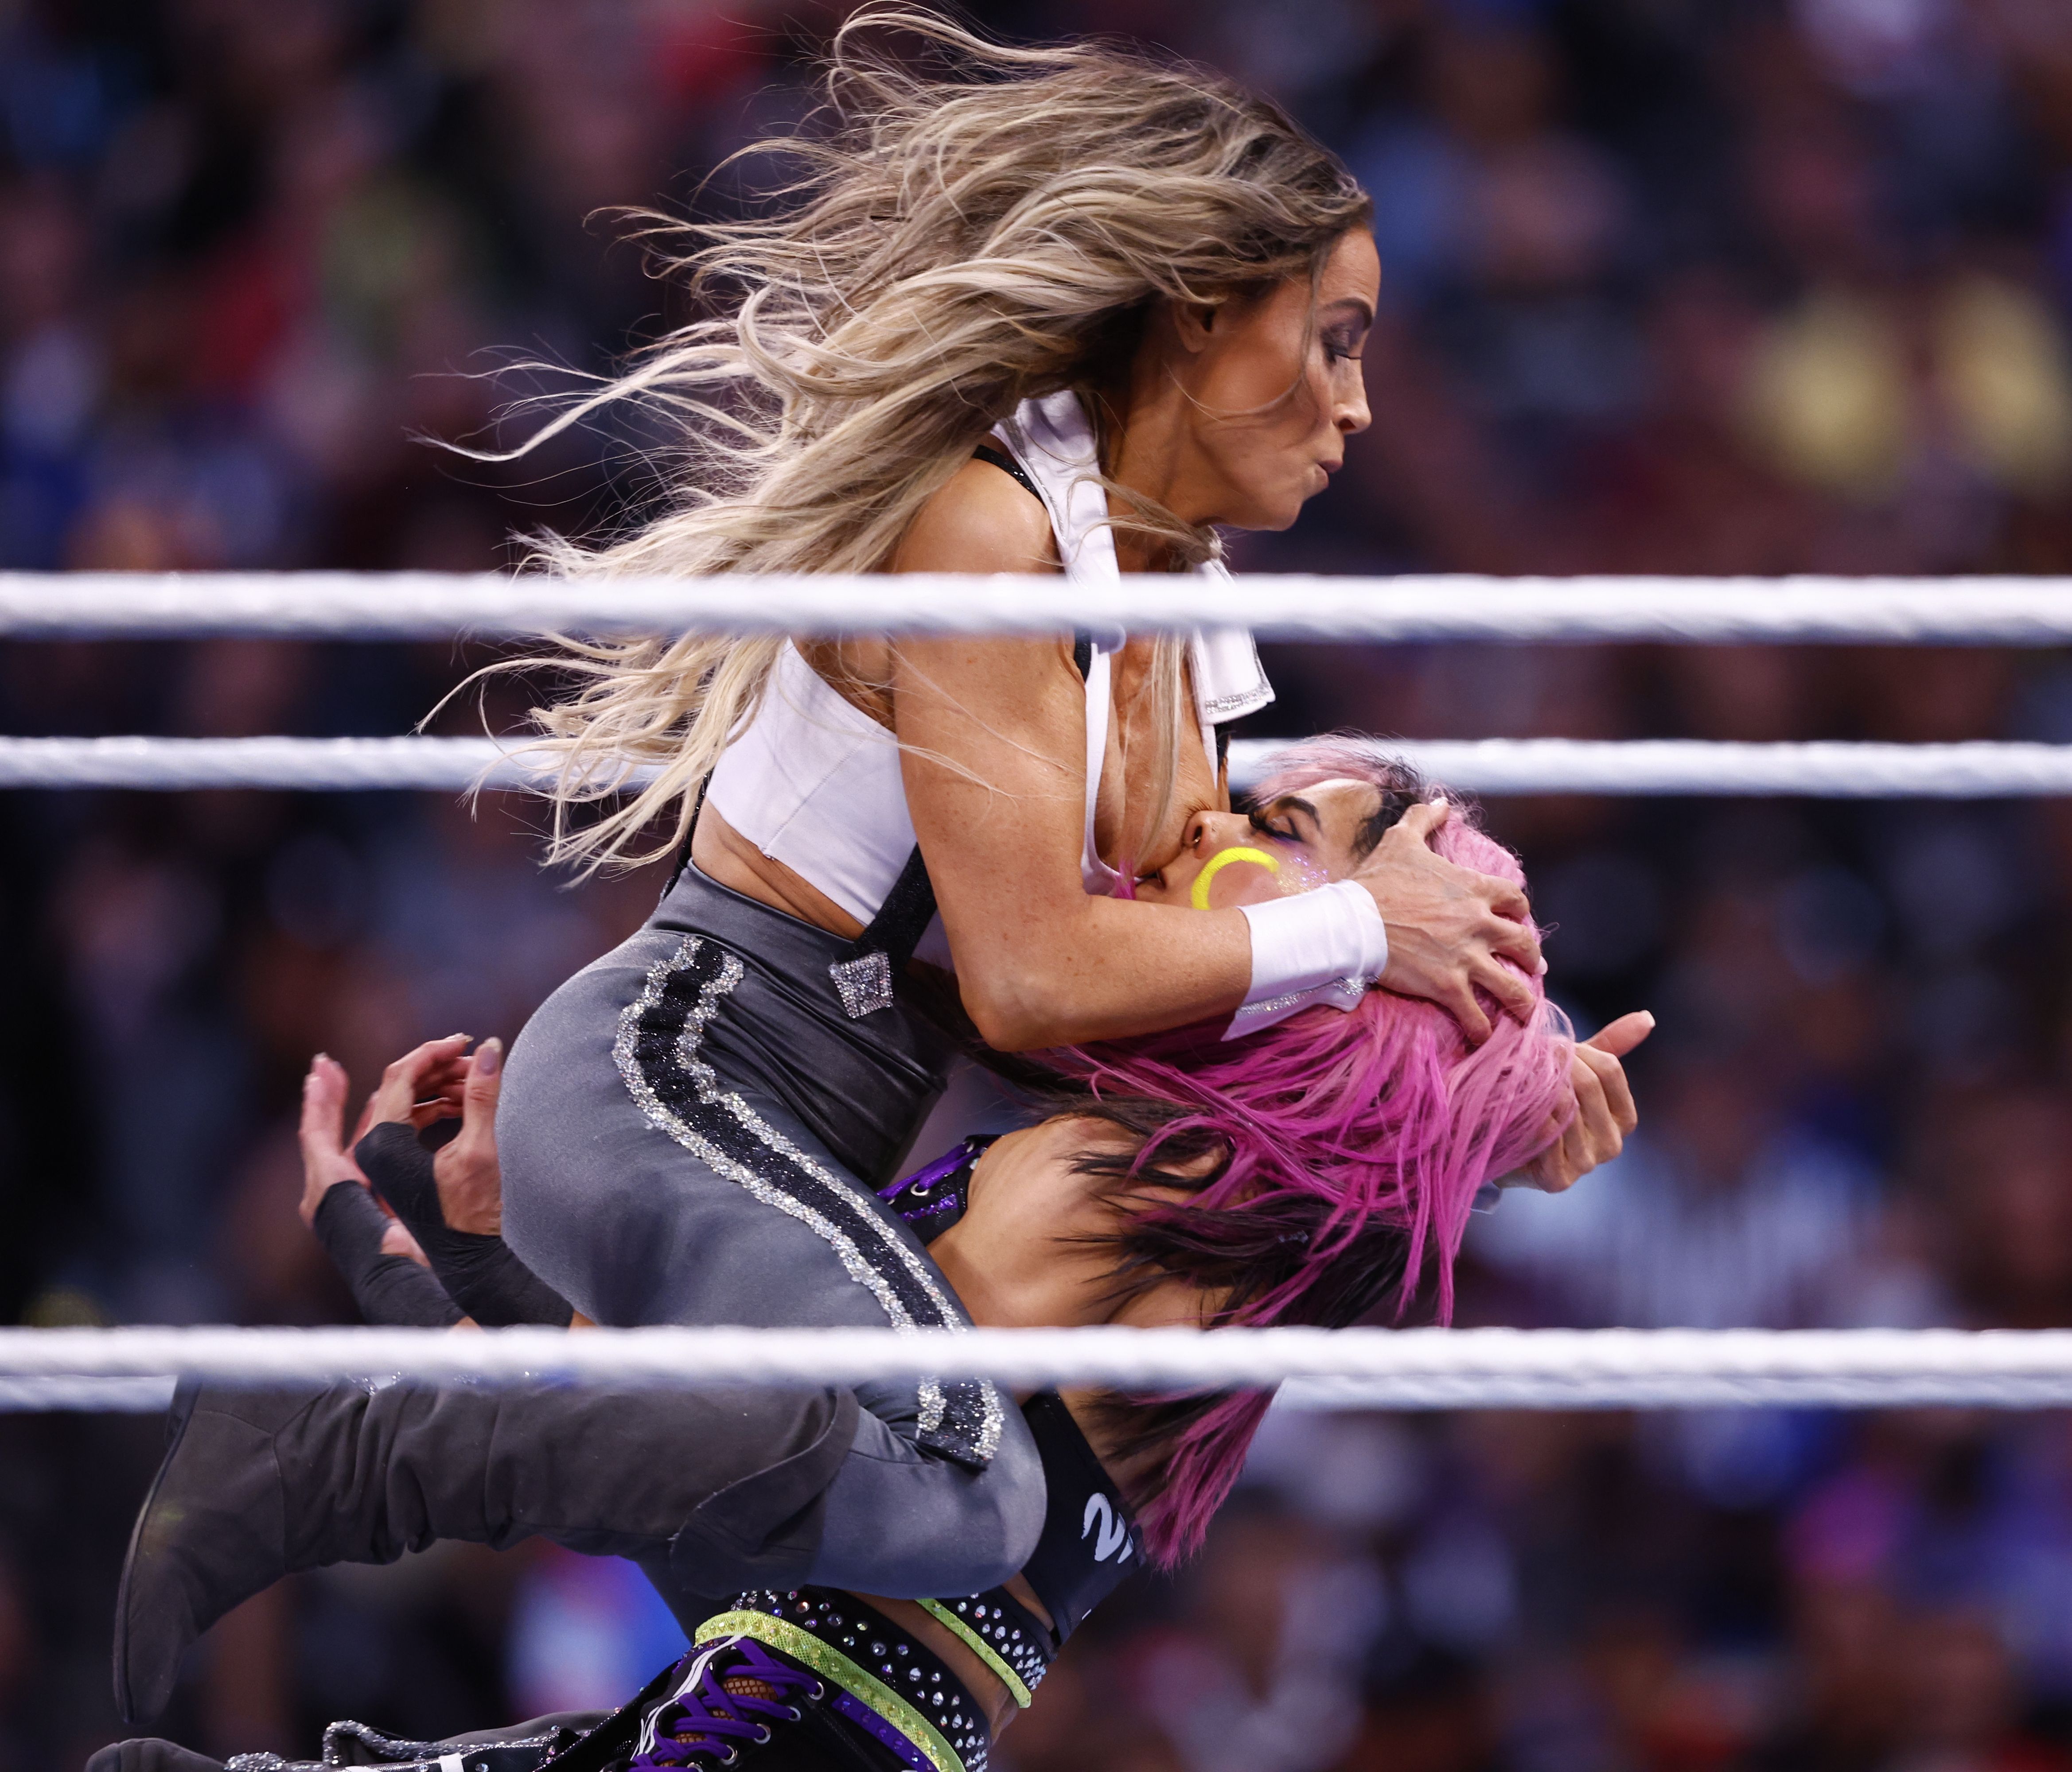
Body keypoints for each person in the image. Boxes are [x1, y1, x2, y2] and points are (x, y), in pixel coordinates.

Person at [398, 11, 1644, 1678]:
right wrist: (1367, 929)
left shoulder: (1175, 599)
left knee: (847, 1564)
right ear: (1201, 314)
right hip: (690, 1072)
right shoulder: (994, 529)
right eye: (1334, 341)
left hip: (819, 1138)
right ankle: (351, 1432)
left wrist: (1480, 1102)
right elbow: (1040, 976)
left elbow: (1199, 1027)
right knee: (953, 1494)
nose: (1358, 405)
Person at [104, 751, 1576, 1772]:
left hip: (790, 1726)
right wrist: (441, 1260)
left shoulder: (1184, 1194)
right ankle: (317, 1452)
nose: (1201, 825)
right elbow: (689, 1439)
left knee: (967, 1483)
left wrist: (1512, 1089)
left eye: (1273, 823)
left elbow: (707, 1434)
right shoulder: (1161, 1188)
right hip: (787, 1713)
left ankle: (318, 1457)